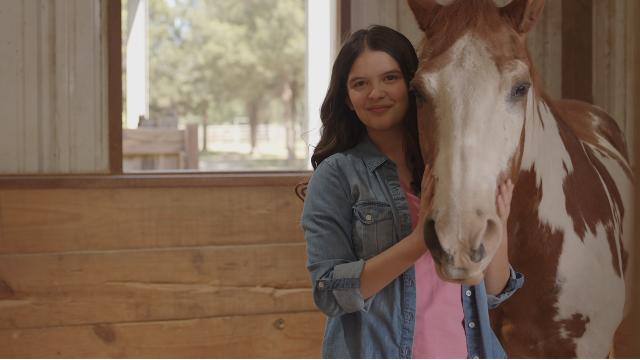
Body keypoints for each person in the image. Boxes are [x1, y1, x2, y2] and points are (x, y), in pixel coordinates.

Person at [300, 25, 524, 359]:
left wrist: (498, 228)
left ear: (412, 84)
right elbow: (330, 292)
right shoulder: (337, 174)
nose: (376, 93)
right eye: (360, 84)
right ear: (347, 99)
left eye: (389, 78)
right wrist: (419, 240)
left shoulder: (451, 168)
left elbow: (492, 290)